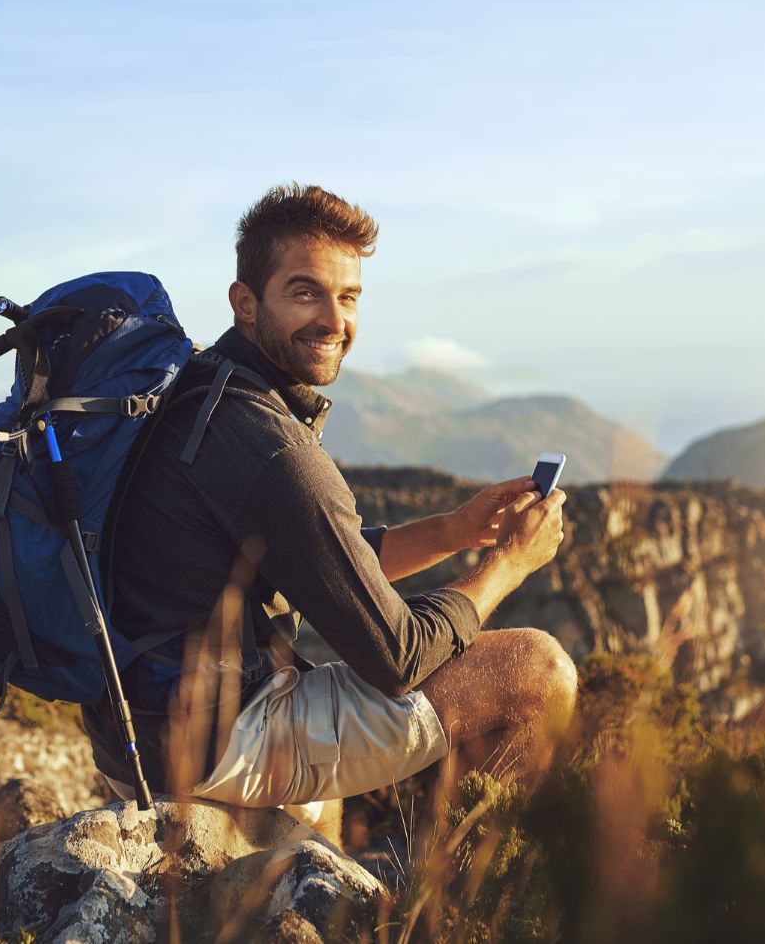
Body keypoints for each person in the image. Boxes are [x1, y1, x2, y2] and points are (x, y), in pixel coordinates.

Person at [81, 183, 577, 831]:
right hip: (209, 744)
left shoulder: (201, 392)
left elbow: (316, 557)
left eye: (347, 297)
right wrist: (509, 564)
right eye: (305, 291)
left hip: (139, 726)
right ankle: (490, 890)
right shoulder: (266, 443)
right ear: (246, 302)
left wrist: (453, 530)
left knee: (318, 701)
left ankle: (306, 863)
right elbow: (396, 658)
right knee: (537, 667)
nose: (333, 320)